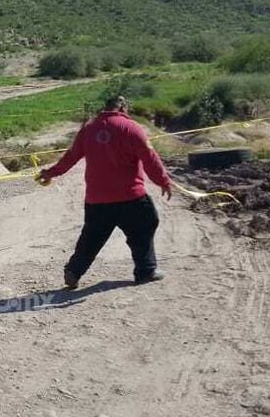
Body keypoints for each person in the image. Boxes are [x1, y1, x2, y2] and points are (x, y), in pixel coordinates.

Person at [39, 95, 172, 289]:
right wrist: (163, 181)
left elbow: (71, 157)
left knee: (91, 238)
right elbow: (149, 157)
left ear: (105, 108)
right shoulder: (131, 128)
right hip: (131, 198)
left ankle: (74, 271)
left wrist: (50, 173)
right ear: (124, 108)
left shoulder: (88, 129)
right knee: (145, 225)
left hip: (97, 200)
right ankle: (146, 270)